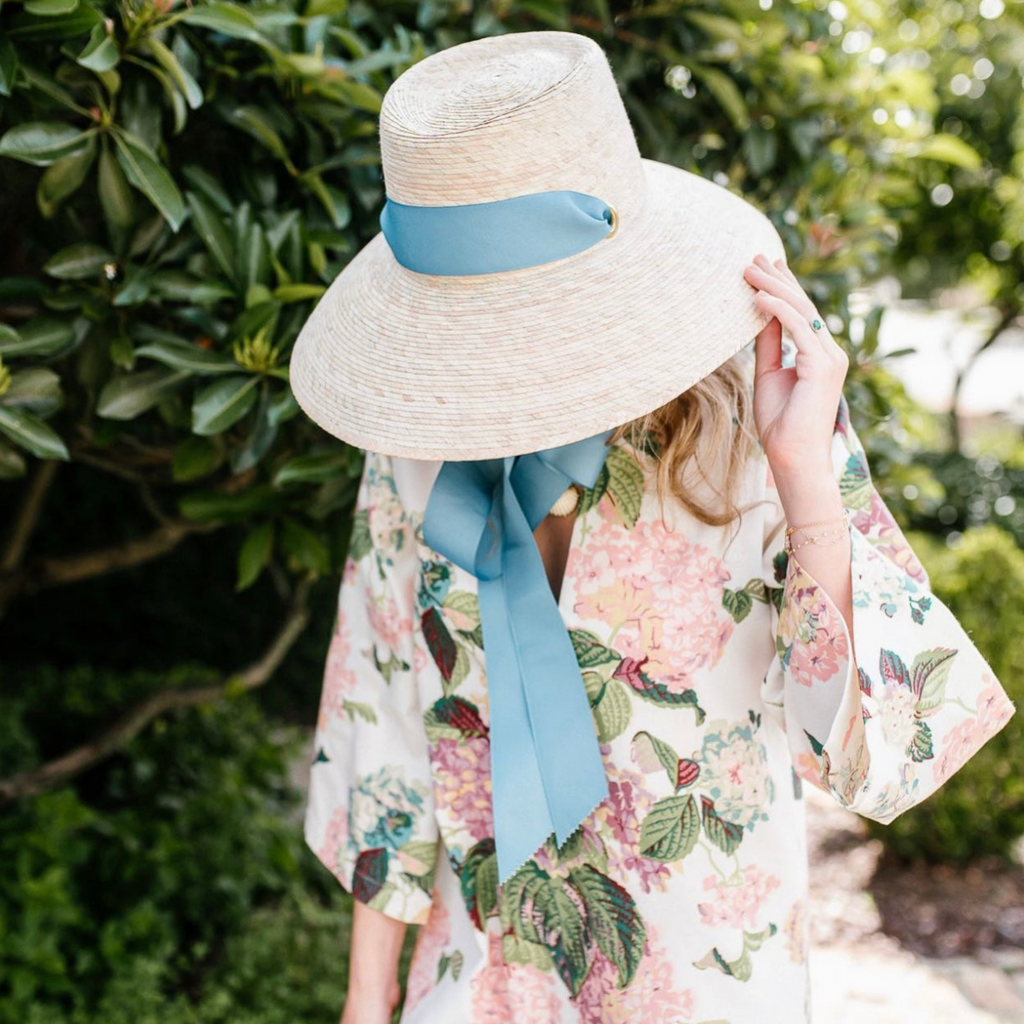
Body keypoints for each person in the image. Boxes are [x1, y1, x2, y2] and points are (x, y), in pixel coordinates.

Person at [289, 30, 1016, 1024]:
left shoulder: (753, 417)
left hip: (704, 983)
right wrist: (365, 1001)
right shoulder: (413, 437)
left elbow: (868, 753)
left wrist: (806, 474)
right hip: (476, 981)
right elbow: (381, 722)